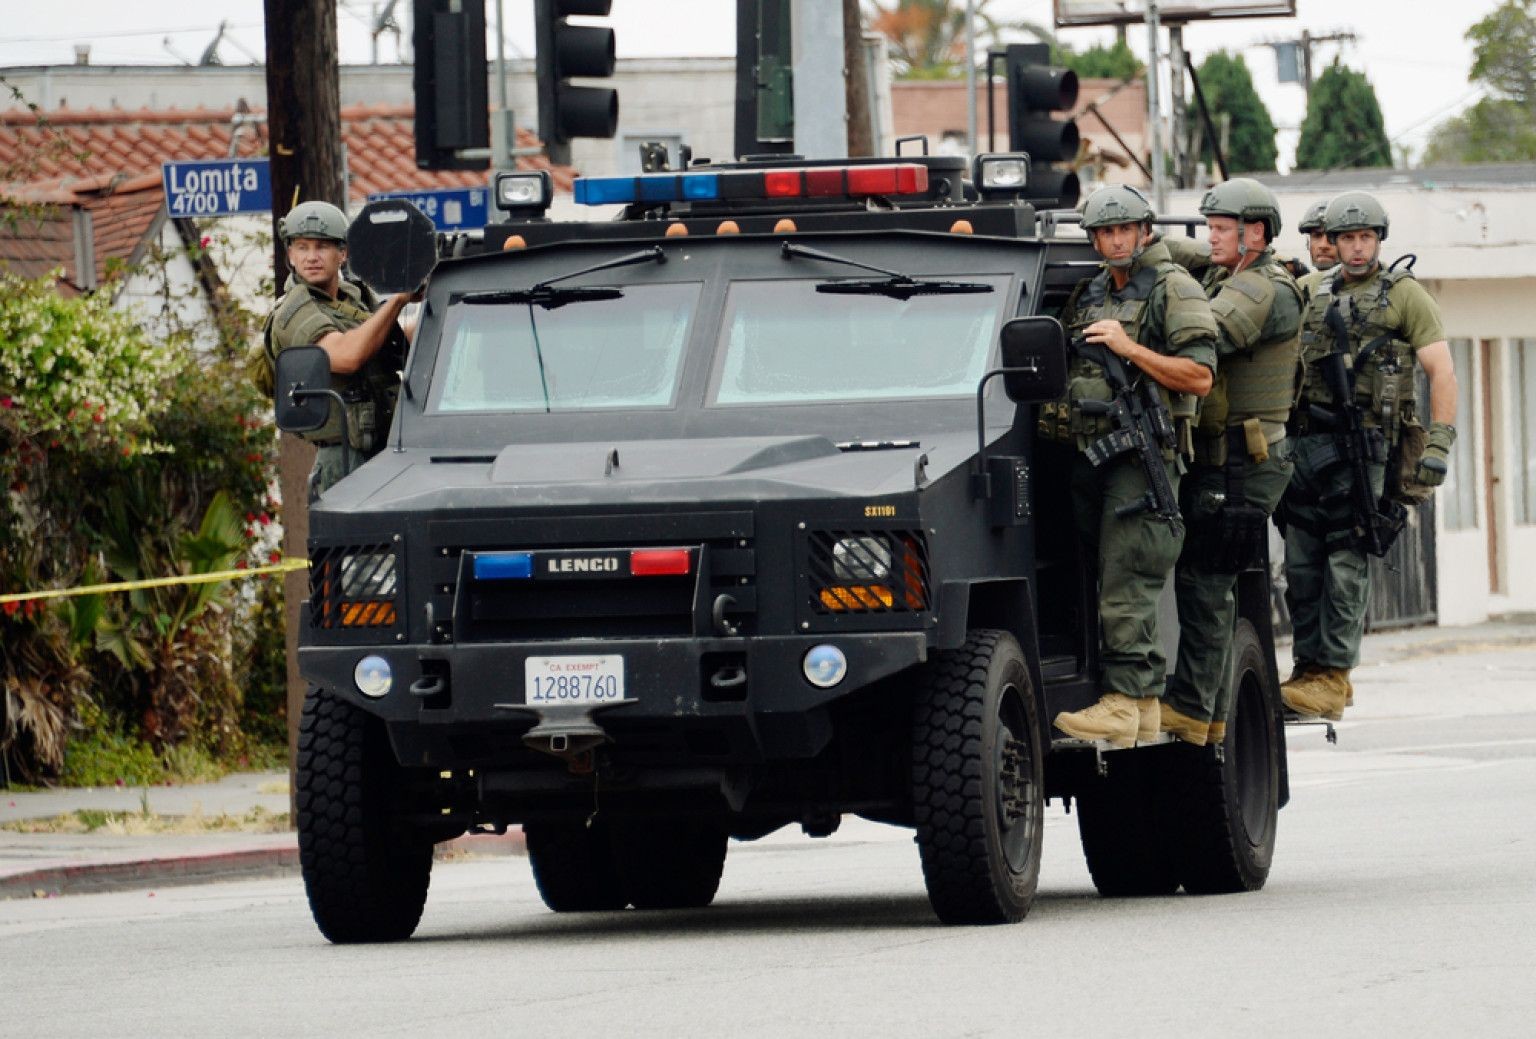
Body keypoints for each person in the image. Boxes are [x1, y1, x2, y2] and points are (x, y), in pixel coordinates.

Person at [1044, 185, 1218, 748]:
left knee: (1129, 575)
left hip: (1143, 456)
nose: (1116, 241)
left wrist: (1130, 348)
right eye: (1105, 232)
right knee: (1111, 571)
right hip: (1095, 454)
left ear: (1144, 232)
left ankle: (1124, 699)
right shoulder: (1092, 291)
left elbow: (1199, 376)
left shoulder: (1174, 287)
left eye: (1125, 230)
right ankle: (1140, 704)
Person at [1279, 191, 1459, 720]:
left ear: (1379, 240)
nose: (1357, 248)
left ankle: (1334, 674)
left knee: (1346, 559)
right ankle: (1308, 669)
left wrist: (1439, 442)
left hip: (1364, 445)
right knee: (1301, 567)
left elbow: (1441, 371)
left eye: (1366, 238)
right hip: (1305, 443)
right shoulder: (1309, 291)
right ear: (1331, 242)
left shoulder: (1404, 295)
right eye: (1347, 238)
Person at [1163, 179, 1303, 747]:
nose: (1211, 238)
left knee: (1206, 581)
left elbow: (1202, 335)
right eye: (1210, 227)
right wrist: (1138, 239)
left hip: (1243, 465)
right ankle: (1207, 712)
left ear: (1256, 234)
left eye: (1222, 229)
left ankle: (1194, 710)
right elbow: (1184, 251)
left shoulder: (1259, 289)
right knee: (1202, 578)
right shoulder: (1231, 271)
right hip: (1229, 459)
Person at [259, 200, 413, 497]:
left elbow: (391, 336)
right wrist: (398, 300)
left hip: (383, 447)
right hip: (343, 459)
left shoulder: (352, 297)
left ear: (342, 253)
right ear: (290, 255)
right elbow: (347, 356)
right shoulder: (293, 312)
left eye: (322, 247)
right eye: (302, 247)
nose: (311, 257)